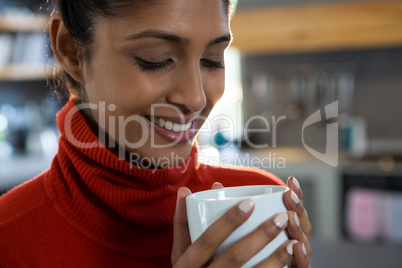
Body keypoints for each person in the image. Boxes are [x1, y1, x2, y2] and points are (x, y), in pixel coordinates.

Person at [0, 0, 312, 267]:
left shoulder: (259, 206)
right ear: (70, 50)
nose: (196, 98)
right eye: (156, 59)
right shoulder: (10, 239)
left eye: (212, 60)